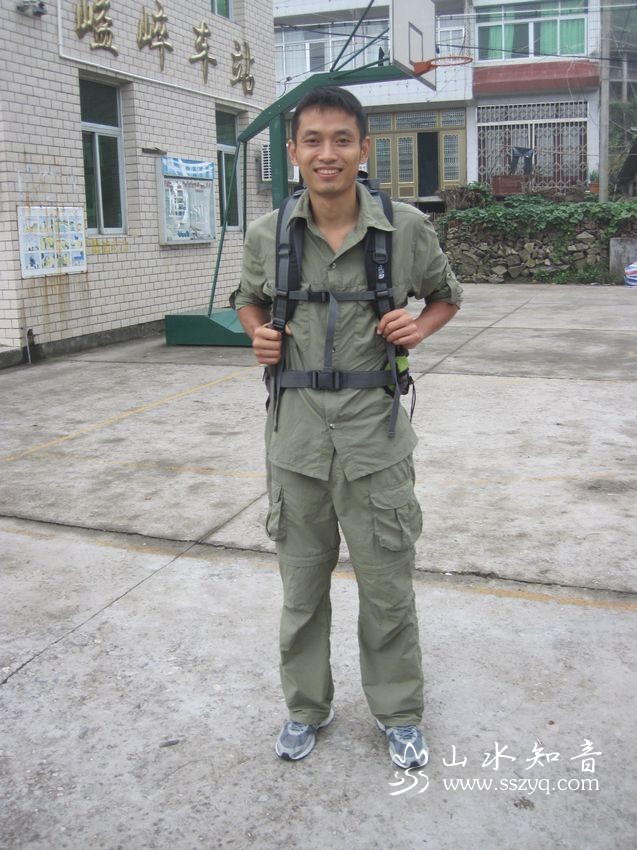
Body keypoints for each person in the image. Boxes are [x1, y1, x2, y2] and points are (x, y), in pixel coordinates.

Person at [233, 86, 462, 768]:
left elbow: (446, 295)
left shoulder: (406, 229)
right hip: (296, 441)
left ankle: (399, 712)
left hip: (375, 442)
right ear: (294, 151)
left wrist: (417, 327)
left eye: (341, 140)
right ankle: (306, 707)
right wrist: (257, 333)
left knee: (387, 589)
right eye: (313, 140)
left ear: (364, 149)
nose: (326, 153)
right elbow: (247, 298)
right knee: (301, 592)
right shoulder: (268, 234)